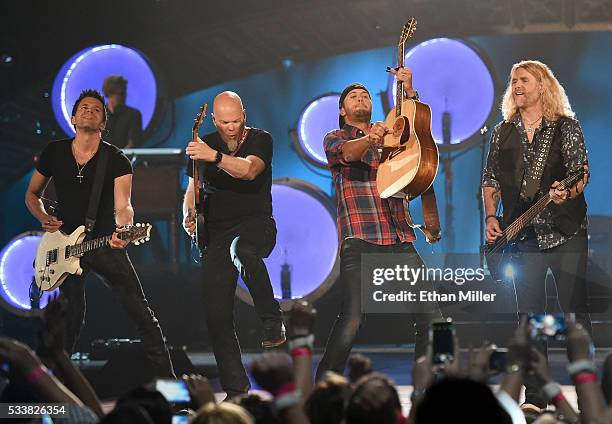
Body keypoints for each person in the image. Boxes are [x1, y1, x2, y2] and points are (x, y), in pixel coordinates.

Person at [25, 89, 175, 378]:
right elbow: (32, 194)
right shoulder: (54, 151)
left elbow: (125, 205)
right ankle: (57, 388)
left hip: (103, 242)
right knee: (69, 321)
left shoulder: (116, 159)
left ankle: (173, 391)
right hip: (64, 244)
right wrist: (43, 217)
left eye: (96, 109)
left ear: (104, 123)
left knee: (141, 315)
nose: (89, 111)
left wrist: (123, 229)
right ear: (72, 117)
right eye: (83, 107)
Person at [482, 60, 591, 410]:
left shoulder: (565, 128)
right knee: (529, 317)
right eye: (513, 79)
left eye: (524, 79)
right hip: (522, 234)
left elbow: (581, 173)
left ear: (541, 86)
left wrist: (567, 192)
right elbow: (490, 180)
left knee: (574, 312)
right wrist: (489, 216)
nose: (516, 84)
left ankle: (588, 388)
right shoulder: (503, 132)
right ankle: (535, 396)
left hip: (565, 231)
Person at [316, 67, 435, 381]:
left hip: (398, 237)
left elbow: (419, 139)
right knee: (353, 318)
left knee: (432, 319)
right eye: (353, 97)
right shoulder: (335, 137)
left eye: (365, 95)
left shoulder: (391, 136)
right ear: (342, 110)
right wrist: (371, 139)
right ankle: (324, 386)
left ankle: (426, 387)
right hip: (362, 239)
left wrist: (409, 93)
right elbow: (349, 154)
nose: (361, 99)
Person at [182, 91, 285, 398]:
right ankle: (235, 388)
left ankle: (272, 320)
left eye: (236, 120)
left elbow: (249, 170)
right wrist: (188, 217)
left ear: (245, 115)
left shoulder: (260, 139)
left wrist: (213, 156)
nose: (231, 127)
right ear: (214, 119)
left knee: (242, 249)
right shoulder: (204, 143)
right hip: (216, 233)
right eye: (225, 122)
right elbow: (192, 189)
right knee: (216, 313)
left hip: (256, 226)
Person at [102, 75, 143, 148]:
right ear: (109, 94)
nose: (125, 96)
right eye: (120, 93)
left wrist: (119, 157)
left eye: (124, 92)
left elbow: (133, 142)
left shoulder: (134, 115)